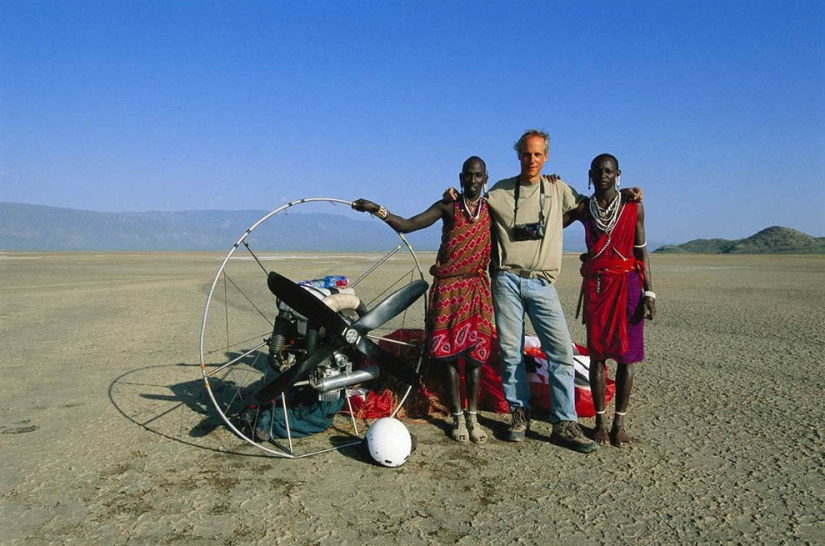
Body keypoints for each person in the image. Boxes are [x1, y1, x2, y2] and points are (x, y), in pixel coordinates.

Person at [352, 156, 494, 443]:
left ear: (485, 179)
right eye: (468, 175)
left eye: (478, 176)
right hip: (449, 291)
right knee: (452, 358)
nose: (472, 181)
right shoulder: (447, 207)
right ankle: (457, 418)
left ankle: (474, 417)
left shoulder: (492, 210)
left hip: (477, 289)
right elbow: (408, 225)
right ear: (460, 177)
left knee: (476, 358)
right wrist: (376, 209)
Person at [564, 153, 655, 447]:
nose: (603, 174)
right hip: (599, 286)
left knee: (627, 357)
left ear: (618, 173)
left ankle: (620, 423)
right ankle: (600, 423)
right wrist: (552, 184)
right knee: (598, 355)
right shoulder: (584, 210)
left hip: (629, 285)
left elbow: (641, 252)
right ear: (590, 174)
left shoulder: (633, 207)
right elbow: (551, 226)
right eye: (598, 170)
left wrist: (649, 292)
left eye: (609, 170)